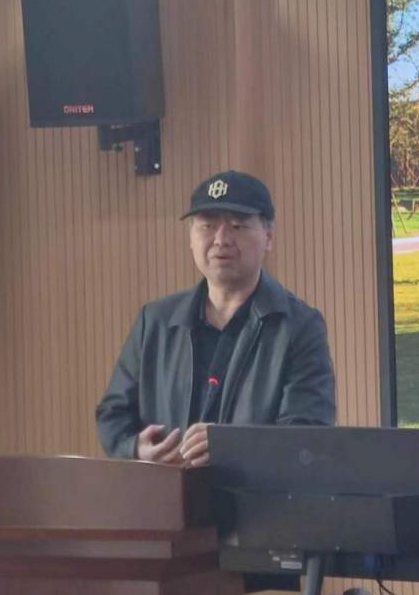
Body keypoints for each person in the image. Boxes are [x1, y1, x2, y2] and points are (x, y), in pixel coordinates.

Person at [96, 170, 336, 466]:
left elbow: (308, 436)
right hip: (166, 492)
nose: (221, 240)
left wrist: (231, 446)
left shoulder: (299, 326)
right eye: (207, 226)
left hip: (254, 495)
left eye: (237, 226)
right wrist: (136, 449)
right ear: (191, 238)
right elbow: (113, 415)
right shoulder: (155, 321)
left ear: (269, 237)